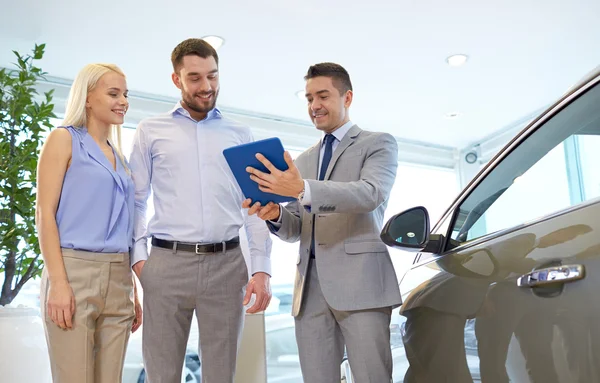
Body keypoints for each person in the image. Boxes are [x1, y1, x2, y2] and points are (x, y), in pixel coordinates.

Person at [244, 62, 401, 382]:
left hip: (362, 287)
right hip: (309, 292)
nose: (314, 105)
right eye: (308, 98)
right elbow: (298, 227)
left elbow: (370, 194)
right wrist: (275, 216)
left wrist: (301, 188)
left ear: (348, 97)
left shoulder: (378, 143)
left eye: (323, 96)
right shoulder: (301, 161)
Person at [129, 38, 272, 383]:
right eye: (195, 78)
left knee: (221, 375)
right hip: (165, 264)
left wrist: (262, 269)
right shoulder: (150, 131)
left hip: (227, 266)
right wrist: (139, 260)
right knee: (161, 374)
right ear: (177, 79)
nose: (206, 87)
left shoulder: (240, 134)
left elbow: (254, 207)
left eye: (213, 76)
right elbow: (136, 199)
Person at [36, 63, 142, 383]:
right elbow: (44, 214)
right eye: (113, 93)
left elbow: (126, 227)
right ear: (87, 97)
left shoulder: (120, 158)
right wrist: (58, 282)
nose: (123, 101)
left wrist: (132, 289)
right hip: (72, 271)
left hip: (119, 275)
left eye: (125, 94)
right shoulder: (63, 140)